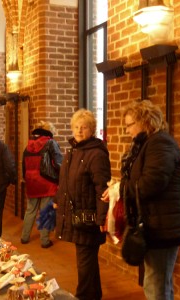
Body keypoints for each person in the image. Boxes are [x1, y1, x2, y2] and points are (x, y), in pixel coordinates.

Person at [102, 100, 180, 300]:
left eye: (129, 125)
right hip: (157, 223)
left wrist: (120, 188)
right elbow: (141, 179)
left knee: (155, 285)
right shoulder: (148, 145)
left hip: (164, 226)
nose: (127, 131)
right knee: (158, 282)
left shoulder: (160, 143)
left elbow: (152, 183)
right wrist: (120, 185)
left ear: (145, 121)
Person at [54, 109, 111, 300]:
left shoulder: (96, 154)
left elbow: (102, 189)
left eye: (84, 127)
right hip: (77, 215)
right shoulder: (74, 151)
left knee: (85, 261)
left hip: (89, 217)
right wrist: (58, 202)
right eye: (76, 127)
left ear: (92, 129)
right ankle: (93, 295)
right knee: (87, 260)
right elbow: (65, 183)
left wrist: (102, 218)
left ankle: (85, 296)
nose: (79, 130)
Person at [21, 121, 63, 248]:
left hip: (32, 182)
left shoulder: (28, 145)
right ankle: (44, 241)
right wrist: (61, 178)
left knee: (30, 210)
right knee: (46, 211)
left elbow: (24, 164)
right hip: (47, 182)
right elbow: (58, 162)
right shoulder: (51, 143)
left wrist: (26, 178)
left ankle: (24, 237)